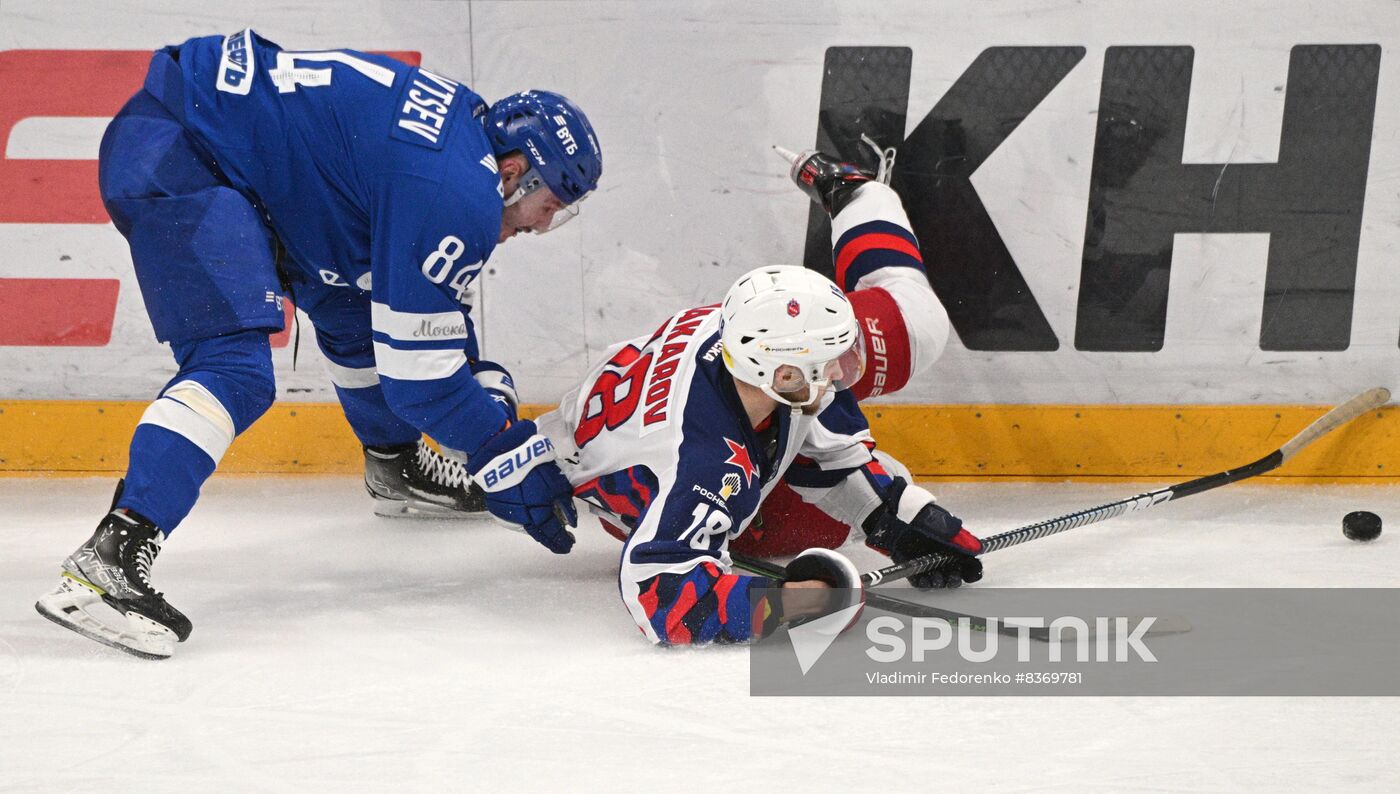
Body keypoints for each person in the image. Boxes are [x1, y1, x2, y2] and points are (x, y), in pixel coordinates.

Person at [35, 29, 600, 659]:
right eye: (550, 204)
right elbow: (422, 378)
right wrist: (502, 451)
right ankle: (106, 562)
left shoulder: (461, 144)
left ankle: (395, 464)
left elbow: (419, 326)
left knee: (353, 306)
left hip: (228, 153)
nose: (544, 224)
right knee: (235, 368)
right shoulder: (459, 194)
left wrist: (482, 412)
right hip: (185, 155)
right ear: (515, 173)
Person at [537, 257, 984, 645]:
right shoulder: (701, 461)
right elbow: (663, 596)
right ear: (784, 374)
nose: (841, 374)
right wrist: (791, 606)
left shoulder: (751, 341)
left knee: (876, 465)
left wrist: (897, 518)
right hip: (635, 489)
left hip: (629, 420)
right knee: (817, 527)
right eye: (830, 361)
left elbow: (818, 435)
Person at [732, 146, 957, 575]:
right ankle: (855, 194)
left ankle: (854, 195)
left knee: (880, 474)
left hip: (703, 495)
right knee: (888, 477)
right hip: (748, 507)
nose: (835, 374)